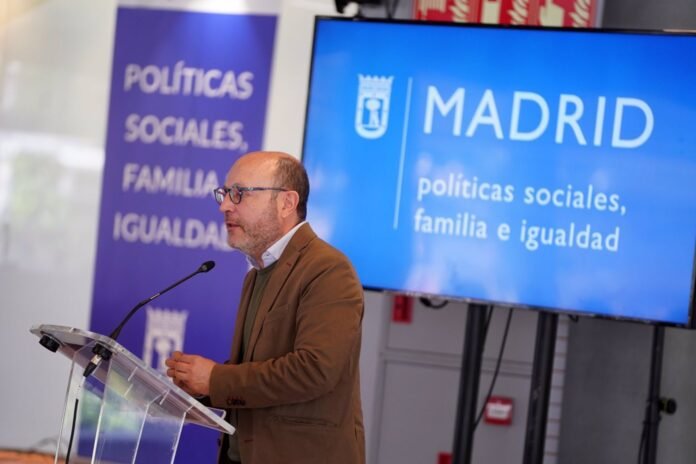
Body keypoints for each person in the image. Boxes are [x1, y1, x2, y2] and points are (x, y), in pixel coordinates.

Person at [165, 151, 365, 464]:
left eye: (239, 193)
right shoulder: (257, 273)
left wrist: (216, 379)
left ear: (286, 203)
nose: (224, 206)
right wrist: (202, 385)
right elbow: (260, 369)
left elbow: (315, 370)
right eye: (224, 193)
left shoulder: (328, 269)